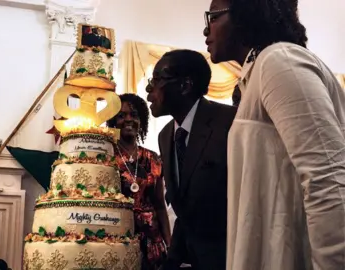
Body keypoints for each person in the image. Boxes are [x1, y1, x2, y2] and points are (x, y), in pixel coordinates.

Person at [204, 0, 345, 269]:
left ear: (246, 13)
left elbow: (329, 180)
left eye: (212, 17)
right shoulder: (260, 70)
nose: (205, 30)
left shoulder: (281, 61)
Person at [147, 49, 236, 270]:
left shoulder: (230, 123)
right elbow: (185, 210)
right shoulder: (166, 135)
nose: (149, 88)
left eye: (157, 79)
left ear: (185, 86)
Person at [107, 93, 171, 270]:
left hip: (152, 243)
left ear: (141, 121)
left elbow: (159, 205)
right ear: (113, 122)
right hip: (119, 239)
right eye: (121, 116)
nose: (128, 119)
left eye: (134, 115)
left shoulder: (153, 159)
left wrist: (169, 244)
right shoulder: (106, 158)